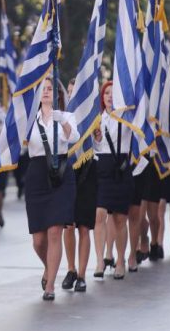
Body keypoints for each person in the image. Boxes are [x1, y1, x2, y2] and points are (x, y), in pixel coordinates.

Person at [25, 77, 78, 300]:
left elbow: (73, 137)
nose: (46, 92)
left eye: (50, 89)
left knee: (55, 230)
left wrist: (61, 121)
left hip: (61, 173)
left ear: (57, 95)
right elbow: (16, 140)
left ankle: (50, 286)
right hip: (37, 175)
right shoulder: (29, 120)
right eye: (42, 90)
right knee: (38, 239)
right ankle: (49, 266)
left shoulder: (66, 116)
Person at [93, 81, 133, 279]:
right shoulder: (97, 119)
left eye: (112, 93)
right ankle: (100, 260)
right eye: (106, 93)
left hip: (121, 168)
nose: (109, 96)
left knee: (119, 219)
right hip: (103, 168)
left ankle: (120, 259)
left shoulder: (125, 117)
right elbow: (94, 147)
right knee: (99, 214)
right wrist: (97, 139)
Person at [62, 78, 97, 292]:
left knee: (84, 225)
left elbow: (100, 145)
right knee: (68, 225)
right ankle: (71, 269)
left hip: (88, 171)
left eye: (76, 92)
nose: (73, 96)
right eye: (70, 91)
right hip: (67, 172)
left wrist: (98, 136)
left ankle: (82, 274)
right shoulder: (62, 117)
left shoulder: (94, 117)